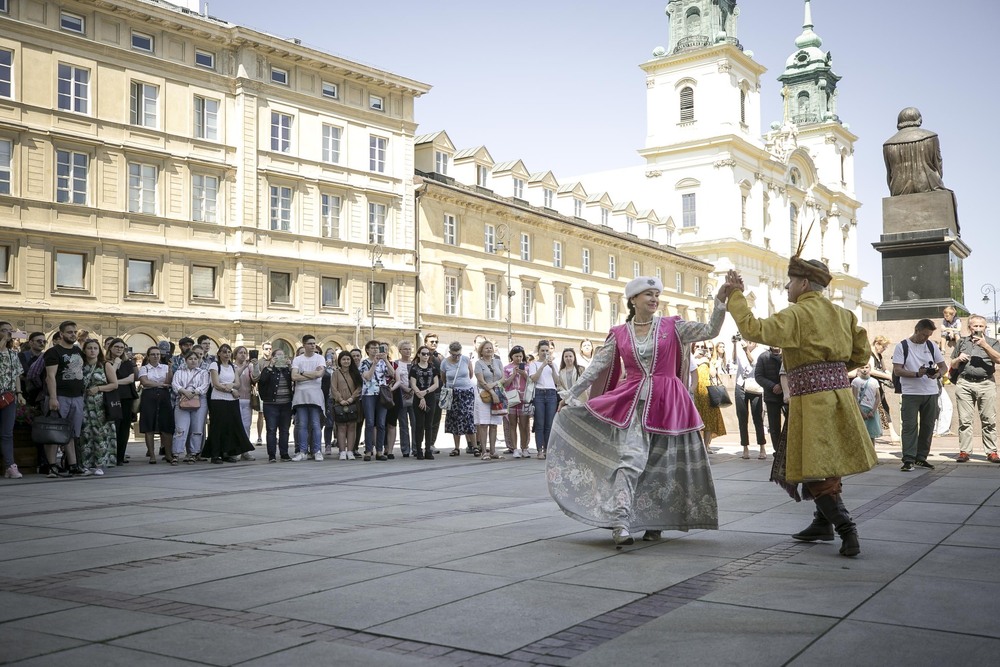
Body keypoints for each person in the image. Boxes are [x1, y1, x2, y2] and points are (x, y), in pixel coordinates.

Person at [547, 275, 730, 548]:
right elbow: (596, 366)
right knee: (630, 460)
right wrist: (571, 394)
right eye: (648, 294)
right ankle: (620, 520)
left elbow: (710, 330)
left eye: (656, 295)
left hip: (669, 406)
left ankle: (654, 523)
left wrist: (721, 300)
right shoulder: (620, 333)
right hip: (632, 405)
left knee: (661, 466)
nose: (654, 299)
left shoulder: (673, 326)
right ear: (633, 299)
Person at [728, 256, 877, 558]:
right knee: (827, 464)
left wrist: (735, 295)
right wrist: (831, 369)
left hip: (812, 403)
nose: (787, 286)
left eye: (791, 281)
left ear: (804, 283)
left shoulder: (797, 314)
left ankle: (846, 529)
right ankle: (822, 523)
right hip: (840, 398)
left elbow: (753, 329)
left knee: (812, 466)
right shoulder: (844, 315)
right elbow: (861, 354)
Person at [893, 319, 949, 471]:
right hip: (911, 392)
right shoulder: (902, 346)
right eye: (924, 335)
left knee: (928, 426)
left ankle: (921, 457)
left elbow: (944, 367)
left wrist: (937, 374)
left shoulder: (931, 346)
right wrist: (917, 374)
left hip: (931, 392)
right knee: (909, 426)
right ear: (916, 330)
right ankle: (908, 459)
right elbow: (897, 370)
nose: (926, 338)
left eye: (929, 335)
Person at [948, 314, 1000, 463]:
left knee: (989, 419)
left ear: (985, 327)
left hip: (986, 383)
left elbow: (998, 359)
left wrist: (985, 345)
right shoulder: (962, 342)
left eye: (980, 326)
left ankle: (991, 452)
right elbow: (952, 364)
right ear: (969, 327)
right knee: (965, 420)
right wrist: (958, 359)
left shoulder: (992, 342)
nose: (977, 328)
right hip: (965, 383)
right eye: (974, 326)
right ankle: (964, 451)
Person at [42, 321, 88, 476]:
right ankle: (52, 466)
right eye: (69, 332)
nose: (73, 335)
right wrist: (53, 398)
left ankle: (73, 465)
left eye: (74, 332)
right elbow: (50, 376)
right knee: (54, 432)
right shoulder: (53, 352)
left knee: (72, 433)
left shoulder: (77, 350)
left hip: (77, 396)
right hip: (60, 396)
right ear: (61, 334)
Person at [203, 344, 255, 464]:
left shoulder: (232, 366)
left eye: (228, 352)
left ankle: (226, 452)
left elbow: (237, 383)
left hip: (232, 401)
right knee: (217, 427)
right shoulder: (215, 365)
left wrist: (231, 386)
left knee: (230, 427)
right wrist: (231, 389)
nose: (227, 354)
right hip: (218, 400)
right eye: (224, 352)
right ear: (219, 354)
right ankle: (215, 454)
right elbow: (216, 384)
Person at [883, 106, 946, 197]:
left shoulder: (888, 145)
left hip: (898, 190)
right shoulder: (931, 137)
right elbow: (938, 165)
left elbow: (889, 174)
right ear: (919, 119)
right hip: (928, 186)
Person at [79, 339, 118, 475]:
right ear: (84, 350)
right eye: (89, 348)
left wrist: (99, 388)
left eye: (95, 348)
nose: (92, 351)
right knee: (85, 433)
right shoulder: (81, 365)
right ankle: (85, 464)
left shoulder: (105, 365)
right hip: (84, 404)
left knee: (100, 434)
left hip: (100, 404)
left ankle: (99, 464)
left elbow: (114, 384)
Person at [291, 335, 326, 462]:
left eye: (314, 343)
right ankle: (302, 451)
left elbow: (320, 374)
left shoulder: (320, 358)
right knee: (302, 425)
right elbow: (294, 377)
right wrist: (312, 375)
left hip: (315, 395)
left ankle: (317, 451)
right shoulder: (297, 359)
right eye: (310, 343)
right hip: (300, 396)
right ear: (304, 345)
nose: (313, 345)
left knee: (316, 424)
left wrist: (302, 373)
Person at [253, 348, 293, 462]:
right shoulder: (268, 369)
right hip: (271, 404)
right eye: (277, 356)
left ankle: (284, 453)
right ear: (272, 358)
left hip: (286, 404)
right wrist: (271, 365)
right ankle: (272, 455)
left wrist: (290, 366)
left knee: (284, 430)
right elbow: (262, 381)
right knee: (271, 429)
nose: (280, 358)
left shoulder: (287, 370)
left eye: (282, 356)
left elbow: (295, 379)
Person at [171, 349, 210, 464]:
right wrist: (184, 391)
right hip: (182, 400)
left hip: (199, 401)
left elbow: (205, 386)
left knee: (197, 428)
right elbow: (175, 384)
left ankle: (193, 453)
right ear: (186, 360)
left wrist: (194, 392)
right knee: (180, 428)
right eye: (190, 359)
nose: (193, 361)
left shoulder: (203, 373)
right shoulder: (179, 372)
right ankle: (176, 453)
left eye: (195, 359)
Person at [137, 345, 173, 465]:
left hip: (164, 396)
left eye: (158, 354)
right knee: (149, 425)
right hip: (149, 396)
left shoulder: (165, 367)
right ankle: (152, 455)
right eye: (153, 354)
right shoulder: (144, 368)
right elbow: (144, 382)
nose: (156, 356)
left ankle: (168, 454)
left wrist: (170, 369)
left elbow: (168, 382)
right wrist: (160, 384)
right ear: (148, 356)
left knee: (166, 425)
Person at [528, 340, 564, 459]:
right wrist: (542, 365)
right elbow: (534, 378)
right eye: (542, 350)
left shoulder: (553, 365)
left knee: (549, 423)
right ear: (538, 351)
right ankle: (539, 450)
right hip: (539, 393)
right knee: (540, 423)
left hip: (551, 394)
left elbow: (557, 381)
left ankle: (547, 449)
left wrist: (552, 367)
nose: (544, 353)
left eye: (547, 351)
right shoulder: (534, 364)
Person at [359, 339, 394, 461]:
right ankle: (368, 450)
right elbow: (367, 377)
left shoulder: (383, 362)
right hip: (368, 394)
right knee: (369, 422)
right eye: (372, 348)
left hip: (382, 394)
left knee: (381, 423)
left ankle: (380, 451)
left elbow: (392, 373)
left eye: (377, 348)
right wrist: (374, 364)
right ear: (367, 350)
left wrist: (385, 360)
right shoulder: (364, 363)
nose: (375, 350)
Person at [105, 339, 138, 466]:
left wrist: (114, 383)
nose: (119, 349)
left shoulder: (127, 363)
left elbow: (130, 379)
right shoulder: (105, 362)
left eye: (121, 347)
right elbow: (108, 377)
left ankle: (120, 456)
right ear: (110, 348)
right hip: (112, 397)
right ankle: (110, 455)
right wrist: (116, 364)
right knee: (113, 426)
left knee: (124, 427)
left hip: (126, 397)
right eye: (116, 346)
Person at [0, 321, 26, 479]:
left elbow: (16, 375)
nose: (8, 333)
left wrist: (19, 393)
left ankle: (10, 466)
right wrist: (3, 341)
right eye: (4, 330)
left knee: (7, 433)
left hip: (8, 397)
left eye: (10, 331)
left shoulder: (13, 354)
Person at [733, 338, 767, 460]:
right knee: (742, 417)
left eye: (751, 339)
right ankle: (745, 447)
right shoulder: (740, 349)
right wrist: (734, 344)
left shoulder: (761, 351)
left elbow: (754, 364)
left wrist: (746, 350)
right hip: (740, 385)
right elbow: (733, 360)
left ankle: (762, 446)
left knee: (757, 417)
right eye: (746, 338)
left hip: (754, 386)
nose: (748, 341)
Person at [441, 341, 476, 457]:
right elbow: (443, 378)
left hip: (466, 392)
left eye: (458, 354)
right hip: (453, 393)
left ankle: (474, 446)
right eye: (453, 355)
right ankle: (456, 447)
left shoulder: (465, 359)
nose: (456, 357)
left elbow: (470, 374)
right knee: (455, 419)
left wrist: (462, 383)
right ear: (450, 352)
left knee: (468, 417)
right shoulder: (445, 362)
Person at [474, 339, 506, 461]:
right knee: (484, 424)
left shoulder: (498, 362)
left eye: (490, 347)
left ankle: (493, 451)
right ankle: (484, 451)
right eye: (486, 348)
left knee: (494, 424)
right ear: (481, 351)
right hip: (484, 395)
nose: (489, 350)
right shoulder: (478, 363)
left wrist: (494, 385)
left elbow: (503, 378)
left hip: (497, 394)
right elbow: (481, 381)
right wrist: (492, 392)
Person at [690, 342, 725, 449]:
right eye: (697, 346)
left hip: (706, 391)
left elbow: (713, 374)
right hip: (693, 390)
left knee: (708, 419)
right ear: (693, 347)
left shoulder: (707, 359)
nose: (700, 348)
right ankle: (696, 446)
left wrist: (709, 360)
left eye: (702, 347)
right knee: (694, 418)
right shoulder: (690, 357)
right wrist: (694, 357)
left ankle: (705, 446)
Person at [867, 335, 899, 443]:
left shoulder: (879, 355)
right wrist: (888, 376)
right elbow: (871, 370)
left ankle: (892, 433)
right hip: (871, 386)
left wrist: (890, 375)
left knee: (885, 407)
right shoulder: (870, 355)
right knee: (876, 408)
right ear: (877, 344)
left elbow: (884, 369)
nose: (884, 349)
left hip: (877, 385)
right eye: (883, 347)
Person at [409, 345, 439, 460]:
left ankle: (428, 450)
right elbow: (413, 384)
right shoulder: (414, 368)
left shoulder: (432, 368)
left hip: (430, 397)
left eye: (428, 354)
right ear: (418, 355)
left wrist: (425, 392)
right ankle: (419, 450)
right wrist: (420, 397)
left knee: (429, 425)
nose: (426, 356)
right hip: (418, 398)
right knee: (419, 425)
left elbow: (436, 384)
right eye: (423, 354)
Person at [331, 351, 361, 461]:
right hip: (340, 403)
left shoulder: (355, 372)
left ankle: (350, 451)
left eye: (348, 359)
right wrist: (340, 400)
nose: (346, 361)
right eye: (344, 359)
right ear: (340, 361)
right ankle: (342, 451)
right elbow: (333, 388)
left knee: (352, 427)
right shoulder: (336, 373)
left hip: (352, 402)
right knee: (341, 427)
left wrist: (351, 398)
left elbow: (359, 387)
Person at [502, 345, 532, 459]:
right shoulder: (507, 368)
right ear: (512, 356)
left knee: (524, 424)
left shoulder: (528, 367)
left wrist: (524, 373)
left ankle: (524, 448)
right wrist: (513, 374)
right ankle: (514, 449)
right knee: (512, 424)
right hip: (511, 398)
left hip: (524, 398)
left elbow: (532, 381)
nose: (519, 358)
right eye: (516, 356)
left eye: (520, 356)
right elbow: (505, 384)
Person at [755, 346, 785, 451]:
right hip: (771, 396)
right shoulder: (763, 357)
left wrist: (782, 385)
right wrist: (773, 386)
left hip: (787, 395)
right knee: (774, 428)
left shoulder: (787, 354)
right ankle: (777, 451)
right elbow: (758, 376)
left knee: (790, 425)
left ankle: (788, 451)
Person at [391, 340, 415, 458]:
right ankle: (405, 449)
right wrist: (405, 389)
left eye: (409, 349)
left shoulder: (415, 363)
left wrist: (412, 390)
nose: (408, 351)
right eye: (405, 349)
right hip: (401, 396)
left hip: (415, 396)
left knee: (415, 423)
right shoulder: (396, 364)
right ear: (400, 350)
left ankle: (416, 448)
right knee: (403, 423)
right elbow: (395, 379)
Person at [851, 365, 882, 444]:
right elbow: (854, 398)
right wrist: (861, 413)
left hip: (871, 409)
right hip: (861, 408)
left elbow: (878, 397)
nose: (864, 370)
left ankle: (872, 451)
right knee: (860, 435)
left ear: (870, 369)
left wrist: (873, 411)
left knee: (872, 435)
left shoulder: (874, 381)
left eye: (866, 367)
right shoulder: (856, 381)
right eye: (862, 368)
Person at [253, 341, 272, 445]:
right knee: (261, 414)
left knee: (272, 415)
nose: (268, 351)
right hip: (262, 391)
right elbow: (256, 377)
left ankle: (273, 436)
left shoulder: (274, 361)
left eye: (270, 349)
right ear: (262, 350)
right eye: (266, 349)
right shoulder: (259, 362)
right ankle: (259, 437)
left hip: (273, 391)